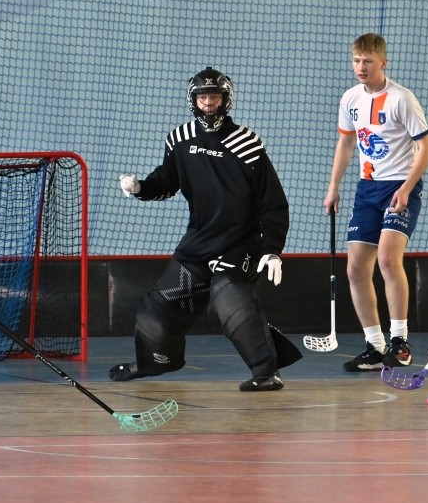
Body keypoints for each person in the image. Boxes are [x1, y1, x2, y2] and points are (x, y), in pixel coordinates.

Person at [110, 67, 299, 392]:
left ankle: (267, 372)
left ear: (226, 100)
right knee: (158, 308)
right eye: (202, 97)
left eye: (214, 96)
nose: (208, 102)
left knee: (228, 298)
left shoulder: (247, 143)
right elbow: (166, 182)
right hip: (199, 242)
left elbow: (273, 204)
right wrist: (140, 187)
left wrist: (271, 251)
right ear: (193, 100)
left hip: (241, 245)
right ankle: (155, 362)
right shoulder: (179, 139)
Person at [323, 33, 428, 373]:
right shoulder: (350, 98)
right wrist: (333, 188)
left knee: (387, 258)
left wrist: (407, 187)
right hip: (366, 189)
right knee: (356, 267)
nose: (361, 67)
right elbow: (346, 144)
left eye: (368, 61)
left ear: (383, 62)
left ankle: (400, 342)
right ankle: (375, 346)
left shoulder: (402, 98)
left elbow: (426, 147)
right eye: (356, 60)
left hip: (399, 187)